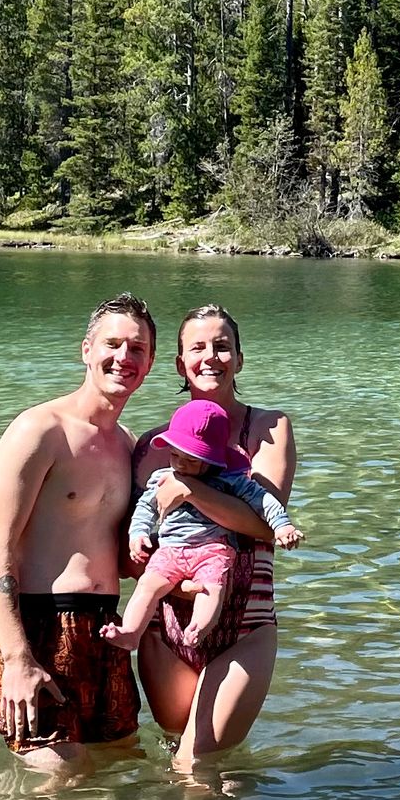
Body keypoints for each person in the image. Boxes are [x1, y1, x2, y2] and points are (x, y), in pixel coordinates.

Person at [0, 293, 156, 771]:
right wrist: (17, 657)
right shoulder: (40, 429)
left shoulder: (130, 446)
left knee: (118, 772)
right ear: (86, 350)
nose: (124, 358)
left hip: (103, 631)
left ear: (152, 361)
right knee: (58, 782)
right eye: (112, 344)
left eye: (137, 348)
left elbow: (122, 559)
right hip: (35, 626)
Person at [134, 305, 296, 773]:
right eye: (197, 348)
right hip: (167, 622)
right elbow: (137, 542)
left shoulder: (267, 428)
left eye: (222, 346)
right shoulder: (153, 446)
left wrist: (190, 489)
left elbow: (264, 525)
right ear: (180, 364)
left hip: (245, 618)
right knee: (175, 753)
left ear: (239, 359)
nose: (211, 357)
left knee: (196, 762)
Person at [107, 401, 301, 662]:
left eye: (191, 460)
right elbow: (145, 507)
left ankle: (200, 627)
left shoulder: (229, 480)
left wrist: (282, 525)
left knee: (212, 588)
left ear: (214, 459)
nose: (181, 464)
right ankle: (131, 632)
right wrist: (138, 534)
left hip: (213, 549)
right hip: (171, 550)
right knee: (147, 586)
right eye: (175, 455)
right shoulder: (162, 477)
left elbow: (263, 500)